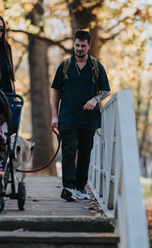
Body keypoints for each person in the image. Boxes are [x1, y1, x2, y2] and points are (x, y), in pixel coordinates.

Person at [51, 30, 111, 201]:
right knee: (69, 150)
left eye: (83, 46)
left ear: (89, 46)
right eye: (77, 45)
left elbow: (106, 90)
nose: (79, 49)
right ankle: (68, 187)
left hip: (89, 118)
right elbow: (55, 90)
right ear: (73, 44)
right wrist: (54, 116)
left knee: (85, 153)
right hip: (67, 116)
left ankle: (80, 188)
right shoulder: (65, 66)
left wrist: (95, 98)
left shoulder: (96, 67)